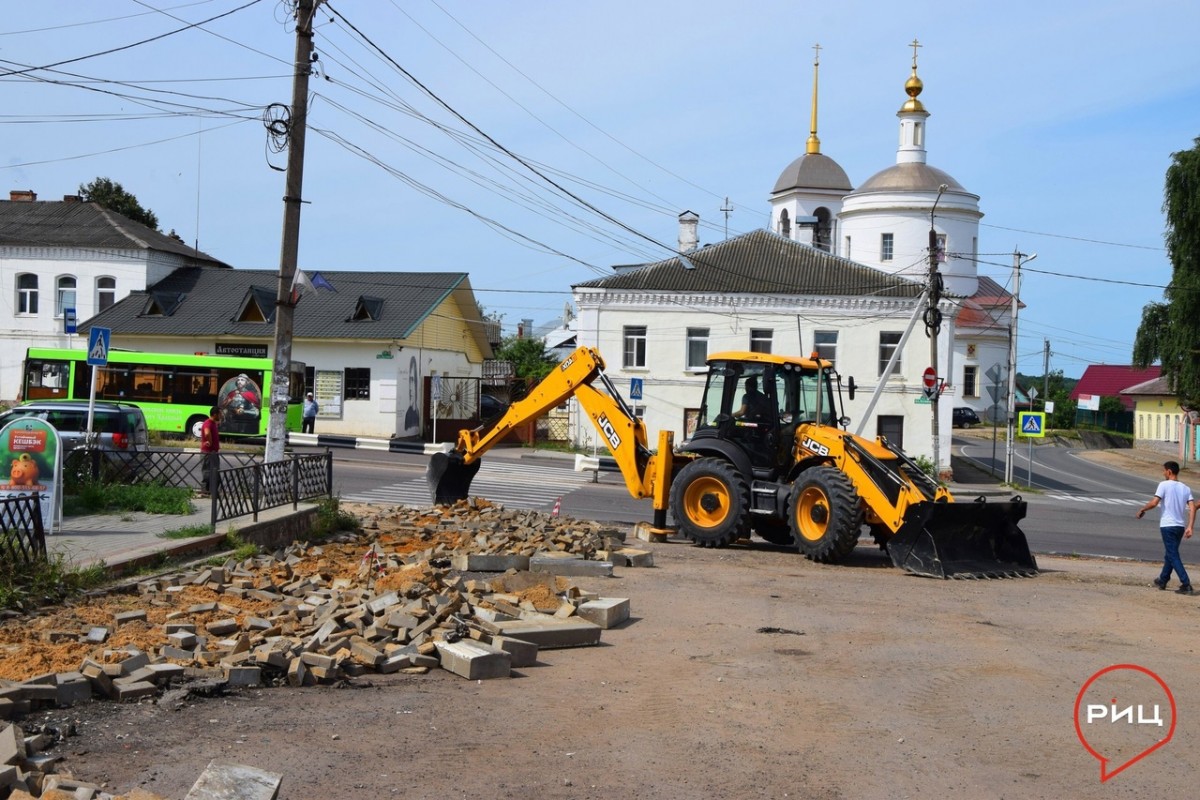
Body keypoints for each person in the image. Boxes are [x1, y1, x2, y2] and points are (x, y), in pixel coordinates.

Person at [1137, 460, 1196, 595]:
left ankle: (1186, 584)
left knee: (1173, 554)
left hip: (1168, 525)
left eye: (1164, 470)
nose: (1163, 473)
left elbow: (1154, 502)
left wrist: (1142, 509)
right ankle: (1162, 580)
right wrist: (1190, 526)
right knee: (1170, 553)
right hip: (1180, 526)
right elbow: (1192, 507)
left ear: (1169, 471)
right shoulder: (1185, 488)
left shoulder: (1163, 485)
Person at [199, 405, 220, 496]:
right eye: (220, 414)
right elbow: (207, 432)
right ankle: (206, 491)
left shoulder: (213, 423)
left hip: (213, 452)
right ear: (215, 414)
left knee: (215, 471)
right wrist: (210, 442)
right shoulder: (208, 423)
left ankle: (213, 491)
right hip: (207, 452)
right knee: (207, 472)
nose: (221, 416)